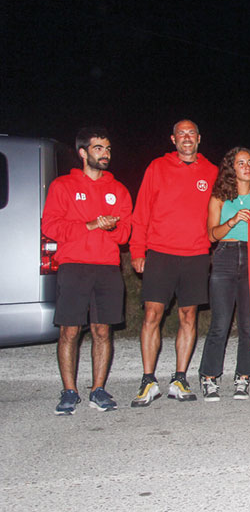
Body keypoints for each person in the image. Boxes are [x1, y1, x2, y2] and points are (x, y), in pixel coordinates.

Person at [42, 127, 132, 414]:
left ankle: (98, 389)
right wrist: (89, 225)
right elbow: (50, 226)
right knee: (70, 330)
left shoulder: (118, 190)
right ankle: (69, 391)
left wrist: (115, 226)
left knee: (102, 331)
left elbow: (127, 232)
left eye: (107, 149)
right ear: (83, 152)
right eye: (98, 149)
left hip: (107, 267)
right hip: (74, 266)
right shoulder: (62, 186)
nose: (105, 154)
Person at [130, 119, 218, 406]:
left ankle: (179, 378)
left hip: (195, 254)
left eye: (191, 133)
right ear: (173, 139)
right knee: (152, 315)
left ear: (199, 138)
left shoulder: (212, 171)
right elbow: (141, 210)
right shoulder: (157, 167)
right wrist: (137, 250)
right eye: (181, 134)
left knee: (188, 317)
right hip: (160, 252)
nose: (186, 138)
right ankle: (148, 380)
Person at [198, 147, 250, 401]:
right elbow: (211, 235)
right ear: (231, 168)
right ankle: (209, 376)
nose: (247, 167)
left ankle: (243, 376)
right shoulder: (219, 197)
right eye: (241, 163)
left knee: (249, 324)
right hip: (225, 257)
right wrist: (233, 222)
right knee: (220, 323)